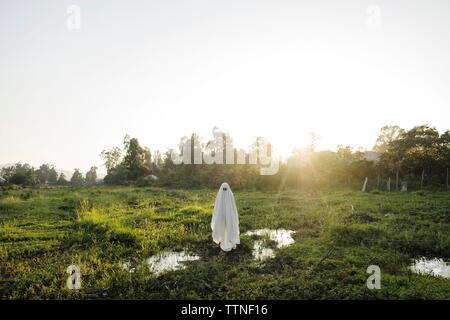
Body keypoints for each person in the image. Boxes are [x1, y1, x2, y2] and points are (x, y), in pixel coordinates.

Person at [211, 182, 240, 251]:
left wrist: (233, 216)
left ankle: (230, 242)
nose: (224, 190)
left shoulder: (230, 195)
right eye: (223, 189)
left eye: (225, 189)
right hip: (220, 216)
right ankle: (222, 241)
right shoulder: (219, 195)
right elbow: (217, 207)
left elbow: (233, 207)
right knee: (222, 228)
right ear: (221, 188)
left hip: (230, 216)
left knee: (229, 228)